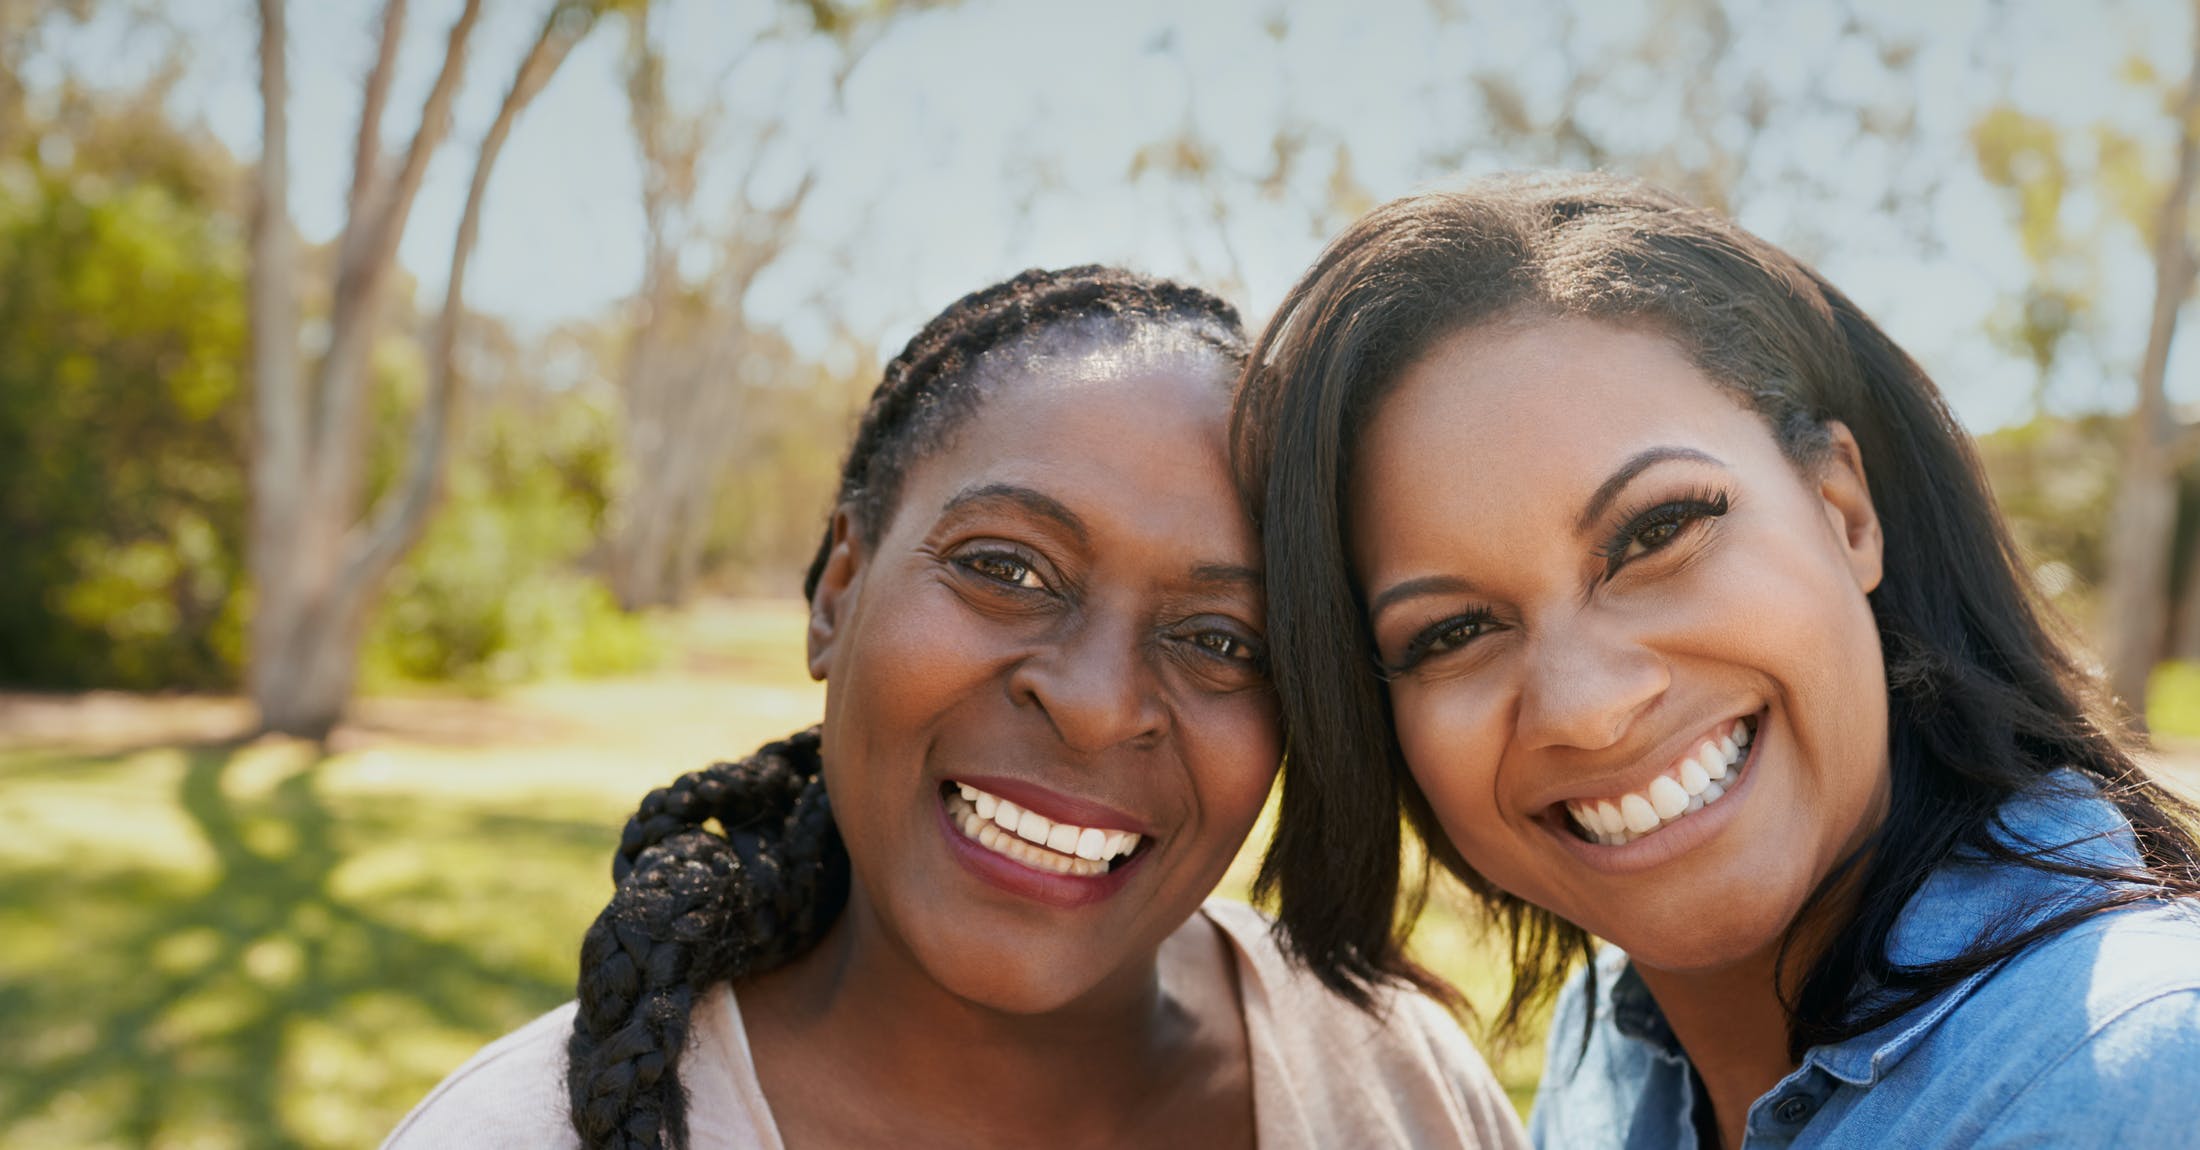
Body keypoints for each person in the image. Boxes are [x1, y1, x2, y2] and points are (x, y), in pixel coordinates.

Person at [384, 265, 1528, 1149]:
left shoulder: (1391, 1080)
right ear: (840, 588)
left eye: (1223, 639)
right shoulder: (516, 1132)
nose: (1091, 704)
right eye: (1007, 568)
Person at [1231, 172, 2200, 1149]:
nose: (1588, 707)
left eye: (1657, 532)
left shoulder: (2145, 1071)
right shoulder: (1608, 1050)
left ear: (1842, 509)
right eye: (1451, 632)